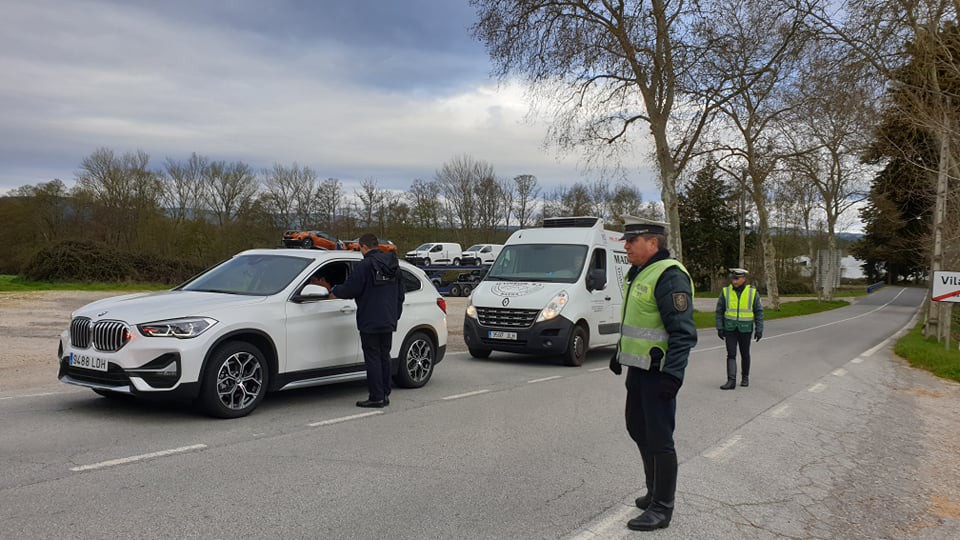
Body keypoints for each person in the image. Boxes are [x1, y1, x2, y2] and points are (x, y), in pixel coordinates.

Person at [609, 216, 698, 532]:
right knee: (637, 428)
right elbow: (640, 321)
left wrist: (673, 376)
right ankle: (653, 491)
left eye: (632, 240)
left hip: (659, 374)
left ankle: (662, 508)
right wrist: (619, 353)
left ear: (653, 242)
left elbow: (683, 333)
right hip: (639, 371)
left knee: (660, 440)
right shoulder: (640, 272)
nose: (626, 245)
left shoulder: (670, 276)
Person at [317, 233, 405, 408]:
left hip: (370, 319)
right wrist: (394, 315)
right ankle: (385, 394)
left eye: (359, 249)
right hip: (388, 319)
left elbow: (351, 289)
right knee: (384, 356)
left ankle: (376, 397)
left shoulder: (365, 265)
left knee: (372, 357)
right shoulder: (394, 265)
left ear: (364, 247)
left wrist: (332, 291)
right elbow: (400, 295)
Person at [715, 268, 764, 390]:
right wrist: (720, 327)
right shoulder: (725, 292)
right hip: (730, 328)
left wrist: (759, 329)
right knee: (731, 354)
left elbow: (758, 312)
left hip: (745, 328)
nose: (734, 281)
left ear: (744, 279)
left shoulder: (752, 293)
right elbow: (719, 311)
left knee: (745, 354)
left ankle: (745, 377)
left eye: (737, 279)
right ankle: (731, 381)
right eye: (733, 279)